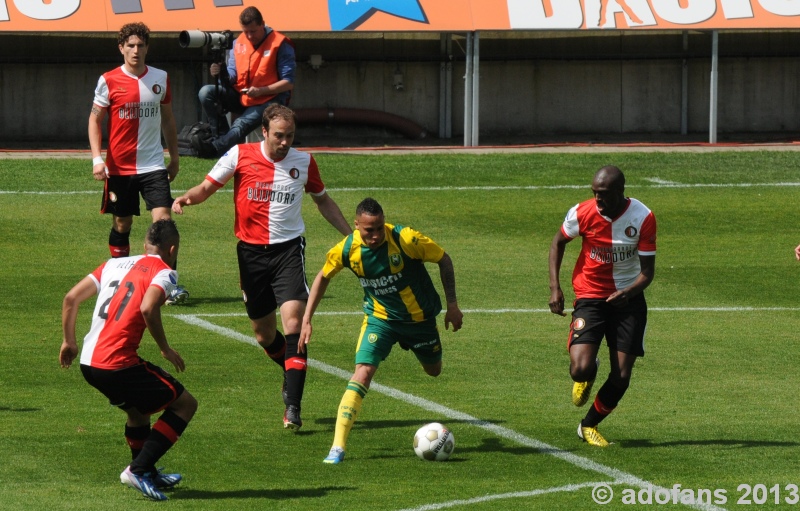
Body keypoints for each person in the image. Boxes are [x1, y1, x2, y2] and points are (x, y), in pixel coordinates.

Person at [172, 104, 351, 431]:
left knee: (294, 321)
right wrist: (186, 199)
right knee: (264, 334)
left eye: (290, 136)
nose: (285, 142)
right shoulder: (239, 155)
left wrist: (350, 237)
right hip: (251, 255)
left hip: (288, 252)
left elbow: (322, 199)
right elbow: (208, 186)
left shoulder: (304, 162)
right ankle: (288, 367)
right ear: (264, 132)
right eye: (279, 136)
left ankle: (293, 407)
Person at [300, 197, 464, 464]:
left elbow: (444, 259)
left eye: (378, 228)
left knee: (434, 371)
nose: (375, 235)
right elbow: (323, 276)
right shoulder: (347, 249)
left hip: (420, 321)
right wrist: (307, 318)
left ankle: (416, 346)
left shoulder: (406, 239)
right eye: (368, 230)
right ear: (356, 226)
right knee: (362, 372)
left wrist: (453, 306)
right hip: (381, 320)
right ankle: (337, 447)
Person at [60, 219, 197, 501]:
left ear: (143, 245)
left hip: (89, 362)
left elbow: (71, 298)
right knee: (185, 404)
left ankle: (146, 472)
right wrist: (165, 348)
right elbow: (148, 307)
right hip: (115, 363)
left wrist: (68, 341)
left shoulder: (113, 264)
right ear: (172, 249)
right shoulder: (165, 271)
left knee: (138, 412)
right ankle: (138, 469)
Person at [548, 165, 657, 447]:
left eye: (604, 194)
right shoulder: (582, 212)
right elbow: (558, 243)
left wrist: (628, 293)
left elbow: (647, 273)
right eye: (595, 193)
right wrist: (555, 287)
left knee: (621, 376)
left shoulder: (642, 217)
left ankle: (588, 425)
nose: (598, 199)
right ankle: (589, 368)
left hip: (628, 300)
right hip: (590, 295)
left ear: (620, 192)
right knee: (579, 369)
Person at [88, 21, 188, 305]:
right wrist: (97, 159)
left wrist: (175, 156)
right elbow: (95, 120)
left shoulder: (160, 78)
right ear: (121, 48)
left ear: (147, 48)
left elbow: (168, 119)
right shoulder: (108, 80)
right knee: (122, 224)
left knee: (164, 225)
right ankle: (118, 279)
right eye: (130, 45)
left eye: (140, 45)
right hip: (120, 167)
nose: (135, 50)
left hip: (153, 165)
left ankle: (167, 285)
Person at [193, 6, 296, 158]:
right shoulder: (237, 42)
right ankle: (221, 136)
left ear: (263, 24)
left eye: (253, 31)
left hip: (270, 100)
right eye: (245, 31)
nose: (248, 36)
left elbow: (288, 83)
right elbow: (232, 77)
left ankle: (215, 148)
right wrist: (220, 72)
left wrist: (262, 90)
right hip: (242, 95)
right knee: (205, 92)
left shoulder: (280, 43)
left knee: (240, 123)